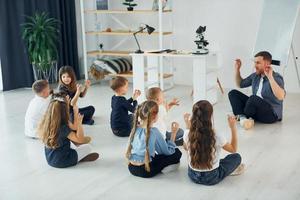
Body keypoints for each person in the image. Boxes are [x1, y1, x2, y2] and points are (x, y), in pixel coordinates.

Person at [183, 100, 244, 185]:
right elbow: (233, 149)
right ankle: (226, 172)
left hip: (192, 174)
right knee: (236, 157)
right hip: (211, 177)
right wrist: (233, 128)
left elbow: (186, 147)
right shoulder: (216, 135)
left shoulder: (187, 133)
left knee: (219, 160)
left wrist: (187, 125)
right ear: (210, 116)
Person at [38, 93, 99, 168]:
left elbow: (74, 127)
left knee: (72, 141)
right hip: (63, 161)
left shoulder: (47, 121)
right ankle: (77, 159)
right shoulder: (63, 127)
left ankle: (77, 154)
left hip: (50, 159)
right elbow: (80, 139)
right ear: (64, 111)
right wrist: (80, 123)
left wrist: (75, 112)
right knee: (88, 147)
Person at [228, 51, 285, 129]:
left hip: (270, 115)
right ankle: (243, 119)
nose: (255, 66)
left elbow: (281, 96)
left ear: (267, 64)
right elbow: (240, 84)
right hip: (254, 108)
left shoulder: (276, 77)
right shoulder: (255, 76)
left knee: (253, 98)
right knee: (233, 93)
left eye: (258, 63)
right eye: (255, 63)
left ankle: (241, 115)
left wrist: (270, 77)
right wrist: (237, 70)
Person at [126, 100, 182, 178]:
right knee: (177, 153)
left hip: (131, 167)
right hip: (146, 170)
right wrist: (173, 133)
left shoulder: (135, 129)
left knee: (155, 156)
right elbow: (167, 152)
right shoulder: (154, 131)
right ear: (155, 116)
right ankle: (163, 168)